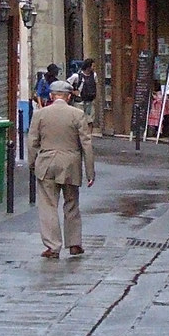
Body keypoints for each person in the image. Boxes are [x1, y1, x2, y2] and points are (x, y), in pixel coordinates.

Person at [27, 80, 95, 259]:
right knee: (71, 203)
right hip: (70, 164)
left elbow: (32, 141)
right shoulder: (77, 114)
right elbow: (86, 144)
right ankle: (74, 243)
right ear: (69, 96)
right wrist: (90, 171)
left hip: (46, 163)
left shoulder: (40, 115)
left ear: (51, 96)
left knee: (48, 205)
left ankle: (53, 246)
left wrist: (32, 163)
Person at [67, 58, 98, 130]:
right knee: (79, 120)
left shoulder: (94, 75)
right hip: (79, 101)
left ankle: (89, 137)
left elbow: (96, 85)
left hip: (90, 101)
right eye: (93, 66)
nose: (94, 68)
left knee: (90, 120)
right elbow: (67, 84)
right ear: (88, 67)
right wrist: (73, 92)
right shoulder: (76, 76)